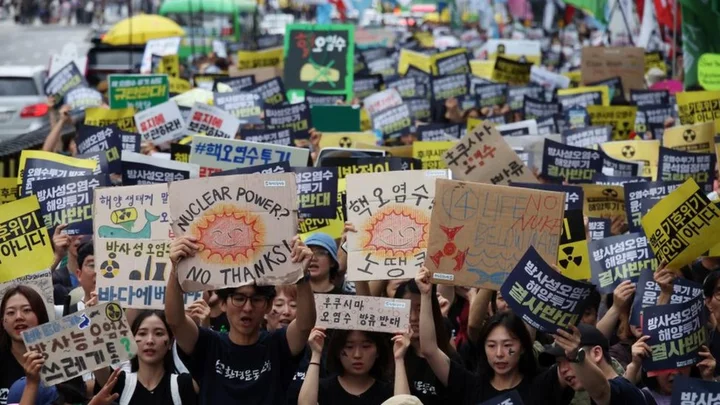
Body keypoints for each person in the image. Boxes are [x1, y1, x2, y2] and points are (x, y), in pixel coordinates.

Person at [165, 235, 316, 405]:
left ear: (268, 306)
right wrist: (175, 269)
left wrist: (303, 277)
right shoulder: (208, 345)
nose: (248, 307)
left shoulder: (278, 345)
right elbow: (175, 321)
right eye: (239, 298)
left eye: (257, 300)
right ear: (223, 303)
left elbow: (304, 325)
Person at [416, 267, 573, 405]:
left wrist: (555, 287)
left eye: (507, 345)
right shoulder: (469, 386)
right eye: (491, 345)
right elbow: (429, 349)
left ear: (523, 347)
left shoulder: (543, 384)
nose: (499, 354)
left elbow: (574, 361)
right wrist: (425, 295)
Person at [94, 310, 197, 405]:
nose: (150, 341)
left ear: (170, 342)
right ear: (132, 340)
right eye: (142, 333)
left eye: (158, 333)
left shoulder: (184, 385)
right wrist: (94, 315)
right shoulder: (119, 383)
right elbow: (96, 360)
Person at [546, 323, 649, 405]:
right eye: (559, 364)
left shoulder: (623, 391)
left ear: (596, 353)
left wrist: (576, 355)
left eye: (568, 360)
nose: (562, 369)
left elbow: (602, 391)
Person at [298, 328, 397, 404]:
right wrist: (316, 353)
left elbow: (404, 401)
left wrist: (399, 358)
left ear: (378, 351)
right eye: (349, 347)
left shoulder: (389, 393)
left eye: (366, 346)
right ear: (337, 351)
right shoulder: (322, 389)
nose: (357, 355)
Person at [0, 286, 50, 405]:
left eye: (27, 310)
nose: (19, 317)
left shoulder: (61, 355)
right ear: (2, 322)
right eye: (11, 312)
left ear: (40, 316)